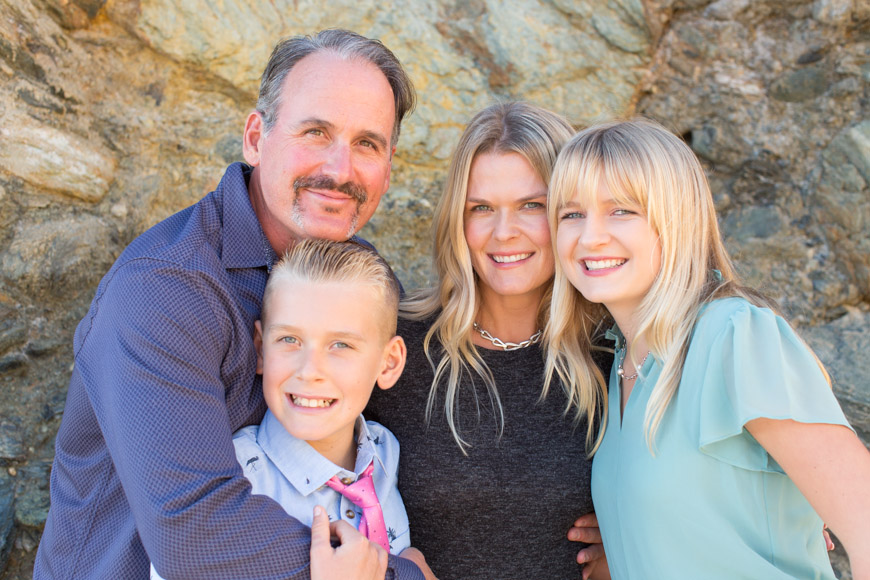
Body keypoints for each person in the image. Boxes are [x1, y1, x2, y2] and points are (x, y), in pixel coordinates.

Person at [35, 30, 423, 580]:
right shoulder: (166, 290)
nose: (341, 170)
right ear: (255, 136)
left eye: (368, 143)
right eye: (316, 132)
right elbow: (193, 530)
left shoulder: (355, 276)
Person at [546, 118, 870, 579]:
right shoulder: (616, 362)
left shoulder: (733, 335)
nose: (590, 236)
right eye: (571, 214)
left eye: (622, 211)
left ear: (676, 219)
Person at [366, 102, 610, 580]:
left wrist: (633, 536)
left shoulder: (612, 353)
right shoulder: (395, 346)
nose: (503, 233)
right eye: (482, 208)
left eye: (531, 205)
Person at [150, 239, 429, 579]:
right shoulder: (233, 482)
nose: (309, 370)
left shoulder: (387, 451)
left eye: (340, 345)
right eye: (289, 340)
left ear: (389, 363)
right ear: (261, 349)